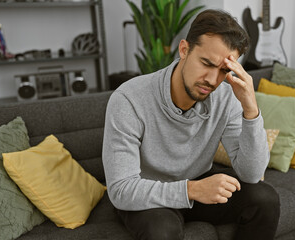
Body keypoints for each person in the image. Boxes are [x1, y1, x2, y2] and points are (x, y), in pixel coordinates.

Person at [102, 9, 280, 240]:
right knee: (161, 231)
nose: (212, 80)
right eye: (206, 63)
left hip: (198, 186)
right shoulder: (128, 99)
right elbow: (121, 190)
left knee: (264, 199)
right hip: (148, 195)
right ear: (184, 49)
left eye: (224, 70)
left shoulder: (226, 97)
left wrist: (250, 109)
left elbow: (252, 173)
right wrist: (192, 190)